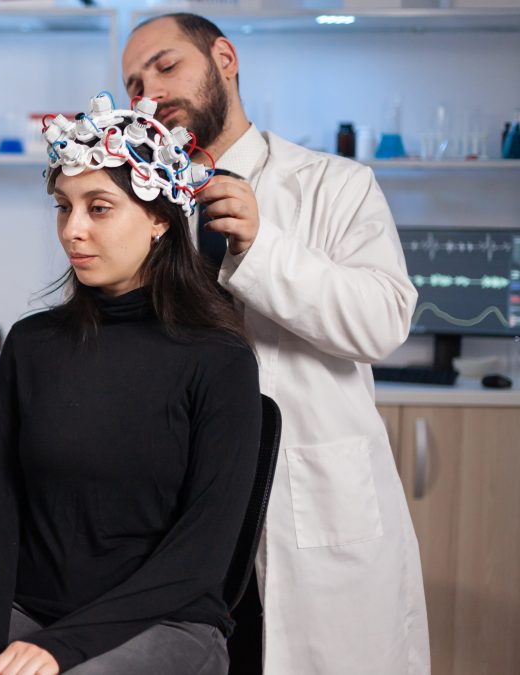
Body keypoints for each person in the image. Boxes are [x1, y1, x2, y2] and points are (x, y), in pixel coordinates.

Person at [0, 97, 262, 675]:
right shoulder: (32, 345)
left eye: (99, 208)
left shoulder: (219, 360)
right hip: (31, 614)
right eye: (63, 207)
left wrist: (63, 647)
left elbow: (200, 559)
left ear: (158, 219)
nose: (72, 230)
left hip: (166, 621)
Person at [121, 13, 429, 674]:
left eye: (166, 66)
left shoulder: (333, 185)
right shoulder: (145, 210)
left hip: (309, 518)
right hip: (183, 524)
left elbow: (384, 320)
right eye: (133, 85)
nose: (150, 93)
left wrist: (265, 248)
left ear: (224, 59)